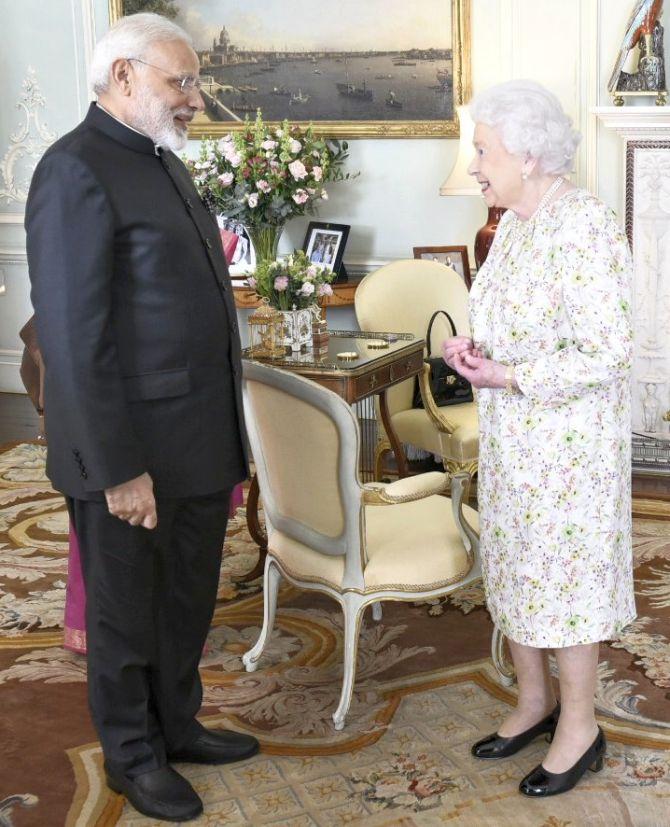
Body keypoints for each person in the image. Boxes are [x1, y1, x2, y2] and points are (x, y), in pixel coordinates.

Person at [25, 13, 258, 822]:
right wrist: (117, 468)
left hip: (195, 442)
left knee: (187, 599)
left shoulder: (161, 160)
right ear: (123, 78)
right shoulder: (74, 170)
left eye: (194, 82)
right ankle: (132, 756)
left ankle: (178, 726)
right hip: (129, 454)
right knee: (125, 615)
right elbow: (73, 336)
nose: (195, 98)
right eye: (180, 81)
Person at [442, 80, 635, 798]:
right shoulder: (516, 222)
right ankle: (534, 701)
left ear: (525, 153)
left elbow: (607, 350)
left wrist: (511, 374)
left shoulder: (583, 224)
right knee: (517, 566)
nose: (475, 165)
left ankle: (580, 725)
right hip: (514, 441)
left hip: (568, 450)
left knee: (566, 579)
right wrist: (473, 350)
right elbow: (504, 318)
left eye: (483, 150)